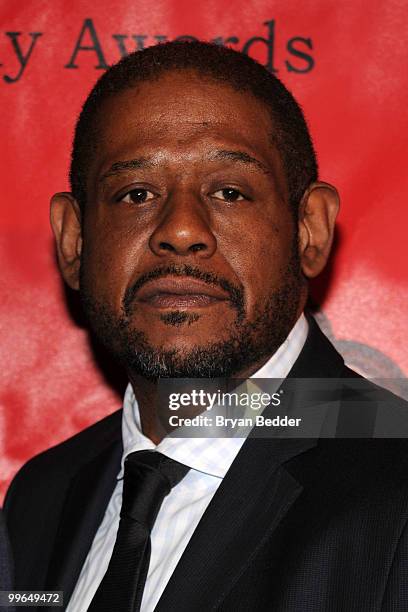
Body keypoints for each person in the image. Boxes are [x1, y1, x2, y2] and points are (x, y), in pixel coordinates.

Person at [4, 41, 408, 611]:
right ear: (74, 241)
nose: (182, 230)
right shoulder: (40, 498)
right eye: (136, 194)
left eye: (229, 192)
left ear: (309, 231)